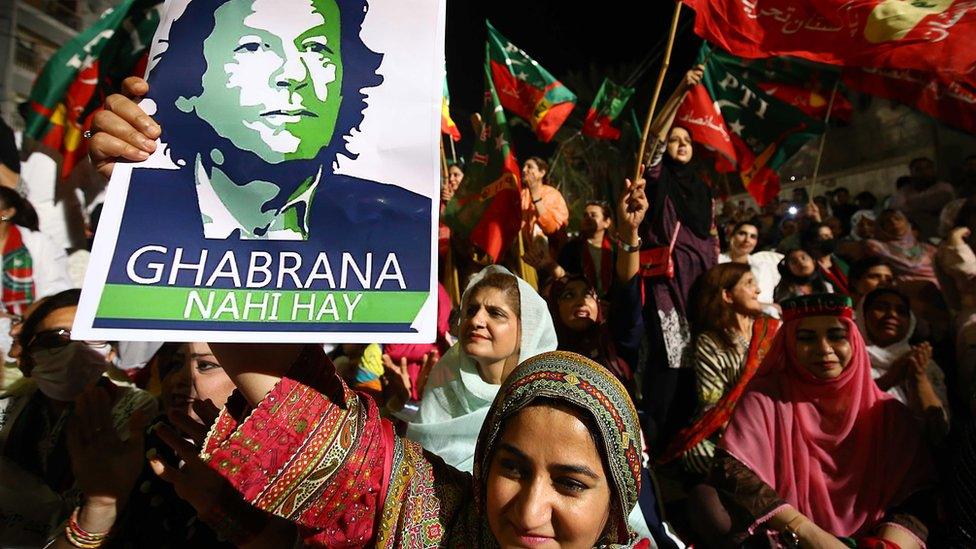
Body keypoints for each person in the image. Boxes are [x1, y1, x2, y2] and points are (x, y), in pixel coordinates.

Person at [86, 0, 432, 332]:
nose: (294, 74)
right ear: (190, 83)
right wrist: (116, 165)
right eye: (254, 47)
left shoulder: (399, 223)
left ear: (347, 86)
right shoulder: (141, 211)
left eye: (317, 49)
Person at [148, 348, 655, 547]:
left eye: (569, 483)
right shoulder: (436, 511)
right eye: (513, 469)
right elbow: (325, 429)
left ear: (617, 498)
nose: (529, 509)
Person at [710, 294, 935, 547]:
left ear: (855, 342)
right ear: (788, 345)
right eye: (806, 338)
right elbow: (734, 471)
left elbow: (916, 495)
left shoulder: (890, 413)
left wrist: (889, 546)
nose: (824, 349)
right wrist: (811, 535)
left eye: (837, 336)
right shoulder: (767, 397)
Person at [0, 289, 157, 546]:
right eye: (57, 339)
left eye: (93, 338)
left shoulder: (135, 411)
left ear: (109, 353)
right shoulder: (7, 411)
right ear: (28, 356)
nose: (75, 350)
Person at [48, 342, 235, 548]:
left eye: (206, 365)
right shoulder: (143, 446)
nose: (180, 379)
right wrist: (101, 505)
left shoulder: (271, 466)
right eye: (174, 364)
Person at [659, 263, 779, 547]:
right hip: (722, 435)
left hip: (773, 432)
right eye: (749, 283)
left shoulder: (771, 334)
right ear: (726, 295)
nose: (758, 290)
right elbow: (712, 406)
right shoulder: (712, 343)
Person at [402, 265, 557, 472]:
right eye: (471, 310)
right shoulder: (445, 380)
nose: (476, 320)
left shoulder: (540, 401)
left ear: (525, 331)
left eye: (495, 313)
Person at [638, 64, 718, 444]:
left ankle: (691, 439)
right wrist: (680, 91)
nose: (681, 144)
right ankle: (657, 441)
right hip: (668, 285)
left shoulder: (703, 190)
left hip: (702, 286)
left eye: (687, 140)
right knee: (671, 362)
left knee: (698, 364)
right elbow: (653, 139)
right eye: (675, 140)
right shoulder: (661, 179)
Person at [857, 288, 949, 439]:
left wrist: (918, 377)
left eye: (901, 311)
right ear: (862, 315)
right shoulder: (848, 359)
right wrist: (890, 379)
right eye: (881, 308)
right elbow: (843, 412)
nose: (892, 315)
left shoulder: (923, 361)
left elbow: (940, 429)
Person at [554, 200, 616, 298]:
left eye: (593, 215)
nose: (588, 218)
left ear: (606, 222)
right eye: (585, 215)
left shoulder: (616, 249)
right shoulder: (571, 248)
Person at [718, 221, 782, 314]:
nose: (747, 240)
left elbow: (765, 300)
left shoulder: (763, 267)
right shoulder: (718, 261)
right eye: (742, 234)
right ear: (732, 236)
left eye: (753, 236)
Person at [890, 157, 955, 240]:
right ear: (911, 172)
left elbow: (938, 203)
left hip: (942, 235)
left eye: (927, 168)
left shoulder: (944, 188)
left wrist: (911, 205)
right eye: (918, 169)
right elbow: (897, 210)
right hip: (915, 237)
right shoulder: (903, 191)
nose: (924, 172)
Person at [520, 156, 569, 239]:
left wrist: (535, 196)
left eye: (529, 167)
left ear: (542, 173)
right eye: (524, 167)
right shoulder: (520, 194)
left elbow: (551, 229)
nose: (524, 170)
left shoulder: (553, 195)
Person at [800, 222, 849, 295]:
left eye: (830, 235)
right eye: (824, 236)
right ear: (812, 242)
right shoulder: (810, 269)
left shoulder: (842, 262)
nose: (830, 239)